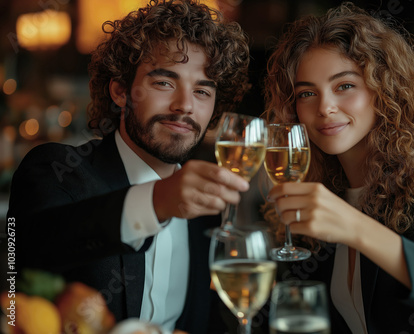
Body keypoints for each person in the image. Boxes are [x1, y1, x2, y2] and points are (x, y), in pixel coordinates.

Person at [7, 0, 250, 332]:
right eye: (164, 83)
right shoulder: (57, 171)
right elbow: (24, 259)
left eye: (202, 91)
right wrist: (156, 201)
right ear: (121, 91)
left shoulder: (209, 209)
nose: (185, 106)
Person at [263, 3, 414, 333]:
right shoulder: (325, 192)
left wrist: (357, 229)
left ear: (384, 89)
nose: (325, 107)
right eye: (306, 93)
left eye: (344, 86)